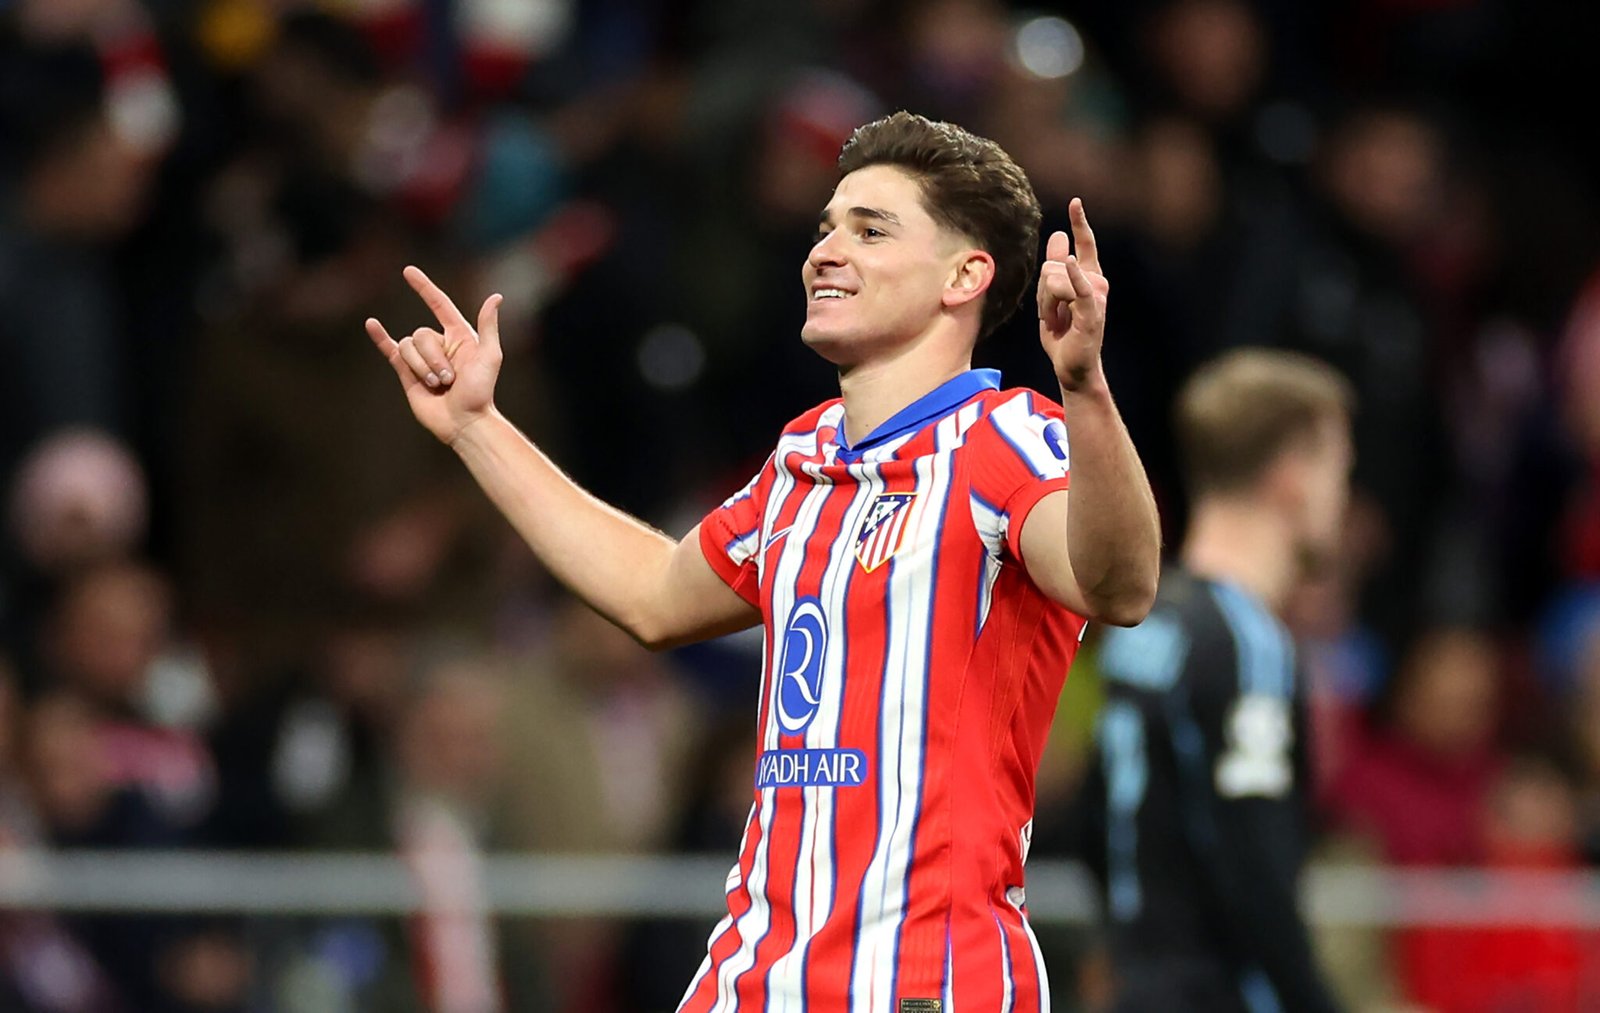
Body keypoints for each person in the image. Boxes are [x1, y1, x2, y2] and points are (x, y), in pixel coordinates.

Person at [366, 110, 1161, 1010]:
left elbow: (1117, 584)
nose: (826, 249)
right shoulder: (801, 461)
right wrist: (479, 428)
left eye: (870, 229)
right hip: (753, 977)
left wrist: (1087, 387)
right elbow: (653, 594)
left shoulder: (1008, 441)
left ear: (964, 275)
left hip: (924, 980)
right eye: (827, 226)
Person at [1084, 348, 1350, 1011]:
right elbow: (1255, 866)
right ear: (1292, 476)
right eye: (1338, 469)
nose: (1342, 498)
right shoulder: (1245, 642)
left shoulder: (1145, 627)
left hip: (1138, 982)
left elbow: (1095, 812)